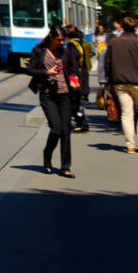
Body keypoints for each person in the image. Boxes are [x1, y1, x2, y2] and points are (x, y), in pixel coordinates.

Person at [28, 28, 75, 177]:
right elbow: (29, 69)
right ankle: (47, 155)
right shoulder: (39, 51)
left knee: (66, 130)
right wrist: (46, 73)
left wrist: (74, 80)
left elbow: (73, 69)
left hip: (65, 95)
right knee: (56, 128)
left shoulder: (65, 52)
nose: (61, 43)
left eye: (63, 40)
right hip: (47, 95)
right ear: (51, 37)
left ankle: (65, 167)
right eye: (59, 40)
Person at [106, 15, 138, 154]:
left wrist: (109, 81)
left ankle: (130, 145)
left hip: (119, 83)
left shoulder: (113, 42)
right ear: (135, 27)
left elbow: (107, 63)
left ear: (121, 26)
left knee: (126, 114)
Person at [62, 25, 90, 133]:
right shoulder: (80, 43)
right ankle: (81, 123)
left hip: (76, 78)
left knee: (76, 102)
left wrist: (73, 77)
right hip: (81, 75)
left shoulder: (72, 46)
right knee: (78, 101)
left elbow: (73, 62)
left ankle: (81, 124)